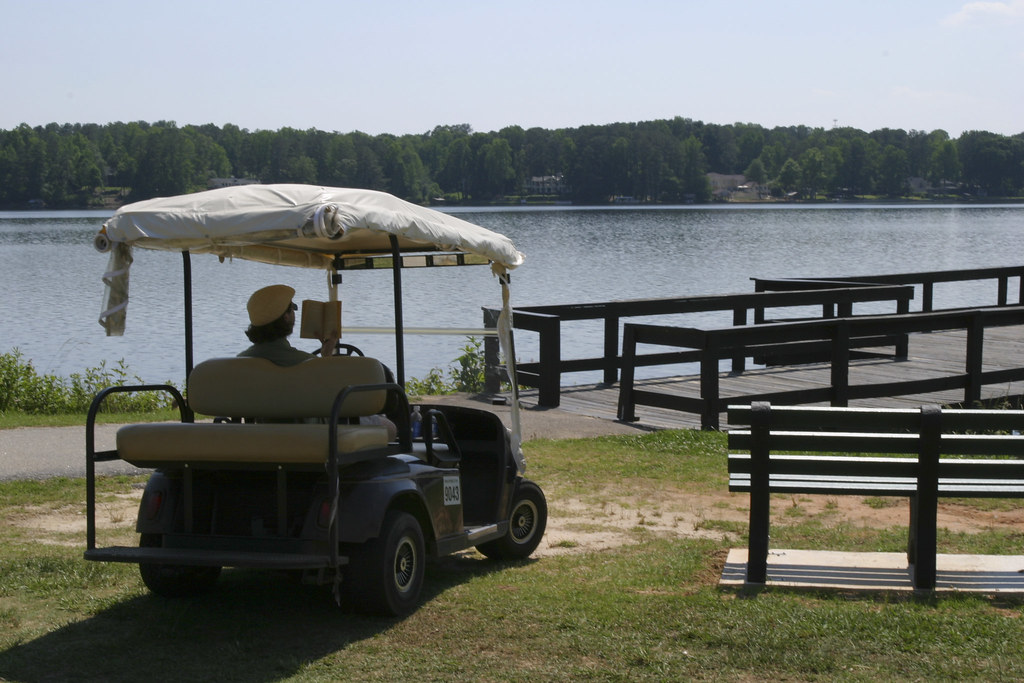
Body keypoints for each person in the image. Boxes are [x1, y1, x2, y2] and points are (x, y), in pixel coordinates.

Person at [238, 284, 397, 440]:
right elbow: (333, 399)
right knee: (390, 427)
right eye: (292, 308)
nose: (294, 313)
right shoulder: (305, 363)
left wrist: (324, 358)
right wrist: (325, 359)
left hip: (260, 433)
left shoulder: (239, 362)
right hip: (310, 434)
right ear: (286, 316)